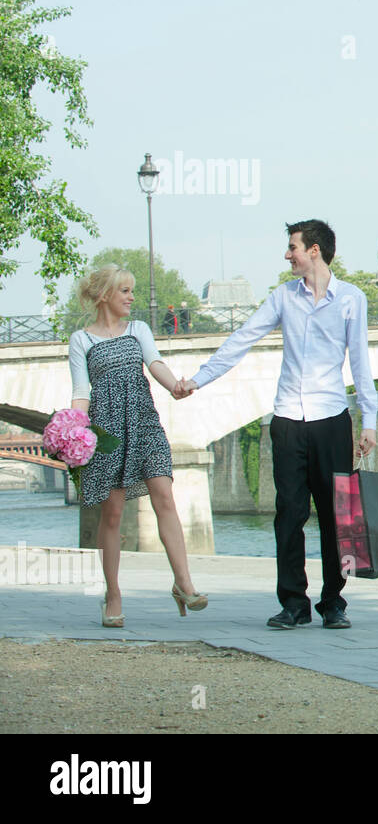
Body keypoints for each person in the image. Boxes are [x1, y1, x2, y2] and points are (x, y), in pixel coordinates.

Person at [177, 220, 377, 630]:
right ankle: (293, 603)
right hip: (287, 419)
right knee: (288, 514)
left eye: (293, 247)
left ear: (315, 250)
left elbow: (360, 362)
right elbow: (241, 339)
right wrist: (198, 379)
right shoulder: (283, 298)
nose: (288, 255)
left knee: (336, 516)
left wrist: (368, 421)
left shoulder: (352, 300)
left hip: (331, 419)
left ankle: (333, 603)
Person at [68, 264, 207, 628]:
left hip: (145, 424)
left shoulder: (139, 330)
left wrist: (175, 385)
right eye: (125, 291)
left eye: (132, 290)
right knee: (112, 516)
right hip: (108, 433)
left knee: (165, 497)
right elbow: (82, 393)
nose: (132, 297)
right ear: (104, 296)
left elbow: (155, 364)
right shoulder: (81, 340)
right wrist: (71, 426)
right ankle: (113, 595)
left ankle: (184, 582)